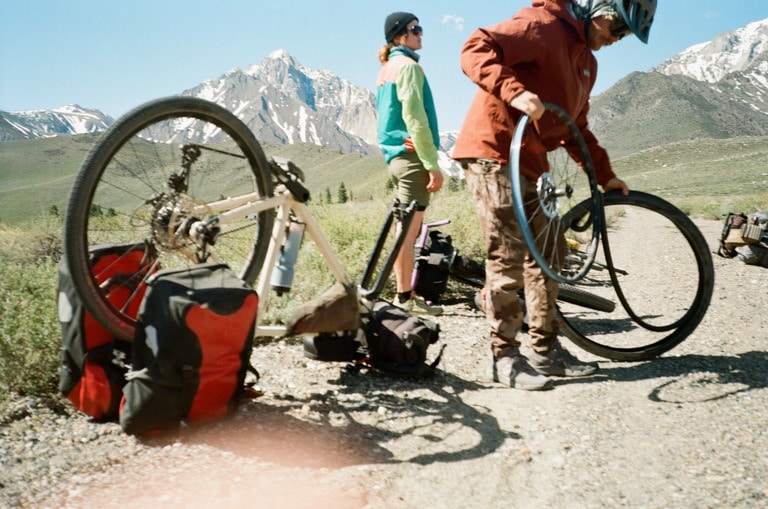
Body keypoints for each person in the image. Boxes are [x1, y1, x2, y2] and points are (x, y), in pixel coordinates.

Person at [452, 0, 655, 390]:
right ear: (600, 8)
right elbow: (477, 46)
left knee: (550, 255)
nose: (618, 38)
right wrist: (513, 92)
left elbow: (575, 126)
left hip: (531, 163)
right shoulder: (543, 25)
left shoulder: (586, 65)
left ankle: (545, 351)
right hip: (493, 153)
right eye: (617, 28)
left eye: (626, 34)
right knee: (507, 255)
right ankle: (503, 358)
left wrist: (604, 175)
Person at [376, 12, 445, 315]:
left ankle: (404, 295)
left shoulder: (387, 68)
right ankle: (404, 298)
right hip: (412, 158)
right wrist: (432, 163)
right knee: (408, 233)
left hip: (396, 157)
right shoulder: (408, 67)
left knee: (403, 231)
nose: (421, 34)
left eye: (420, 28)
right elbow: (415, 118)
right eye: (415, 30)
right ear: (398, 37)